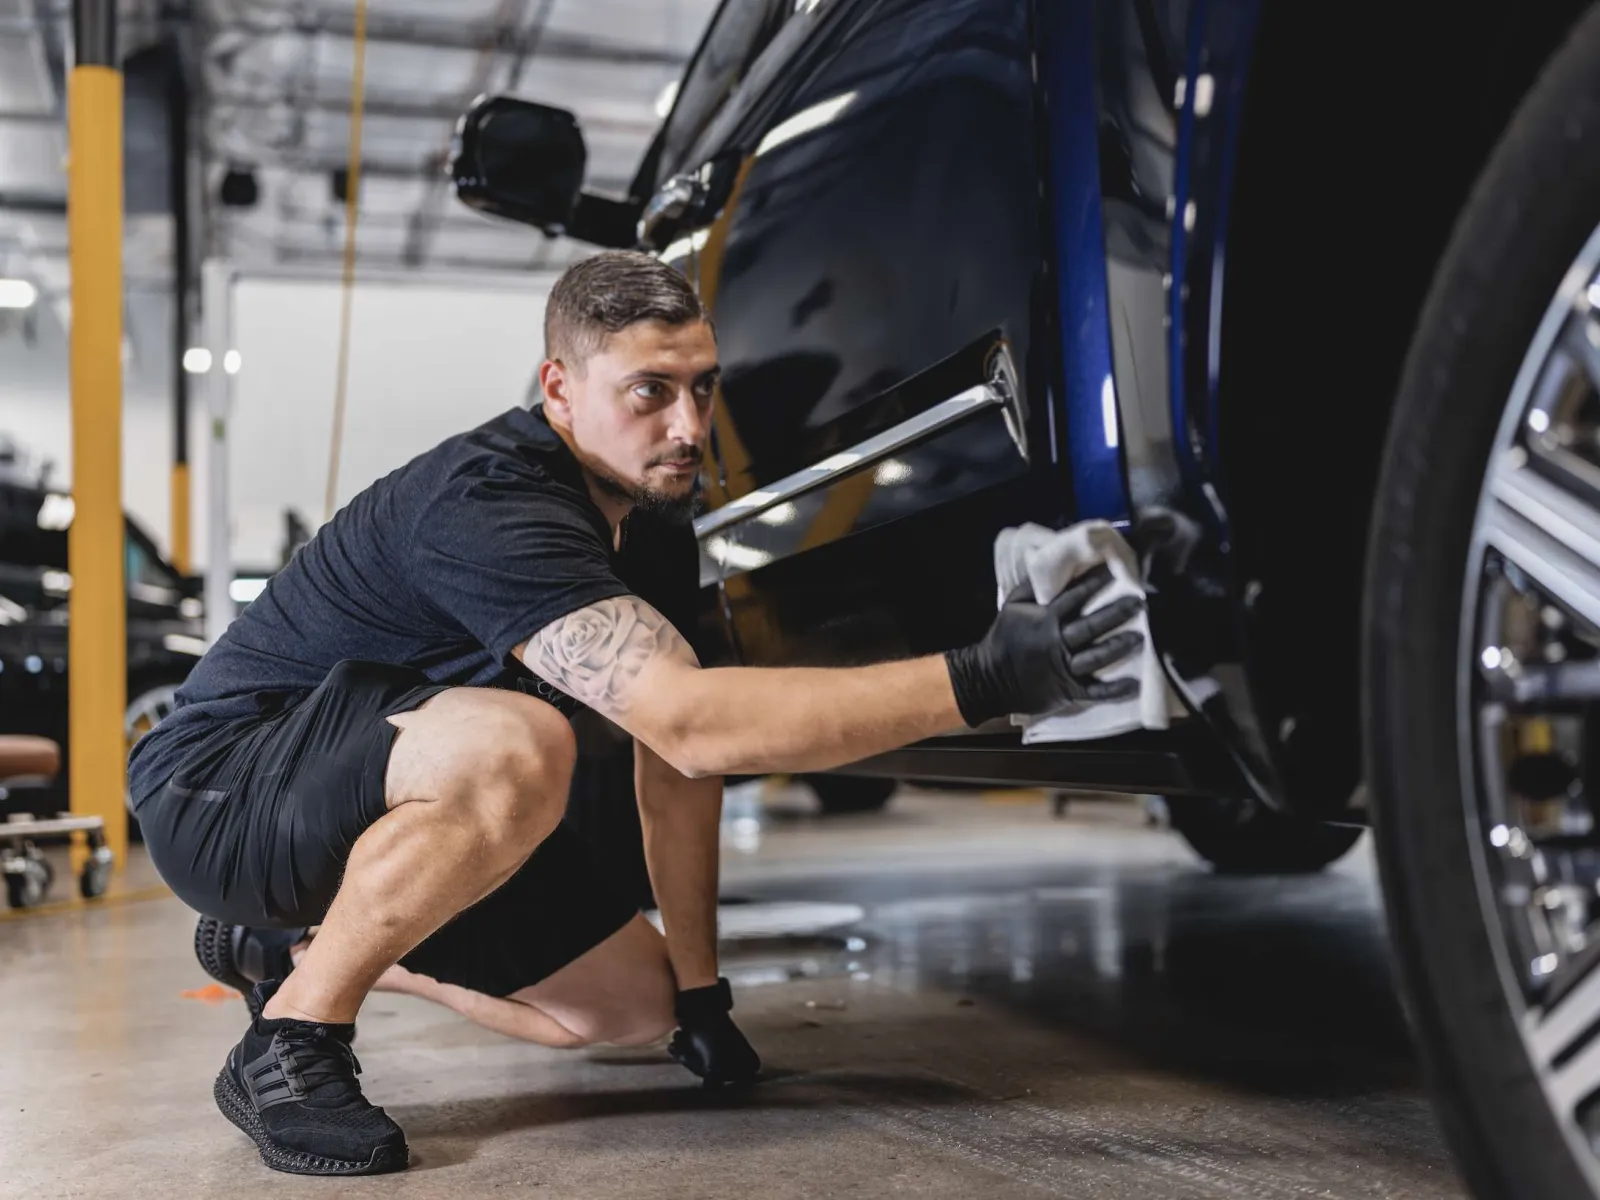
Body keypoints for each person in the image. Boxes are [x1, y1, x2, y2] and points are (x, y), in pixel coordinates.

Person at [129, 250, 1145, 1177]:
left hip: (389, 795)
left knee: (625, 1008)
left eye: (702, 388)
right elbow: (695, 719)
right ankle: (293, 1041)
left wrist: (700, 991)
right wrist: (989, 679)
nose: (689, 427)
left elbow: (681, 762)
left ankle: (282, 952)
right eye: (650, 393)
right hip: (222, 787)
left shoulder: (649, 527)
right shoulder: (490, 503)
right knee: (519, 741)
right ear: (559, 389)